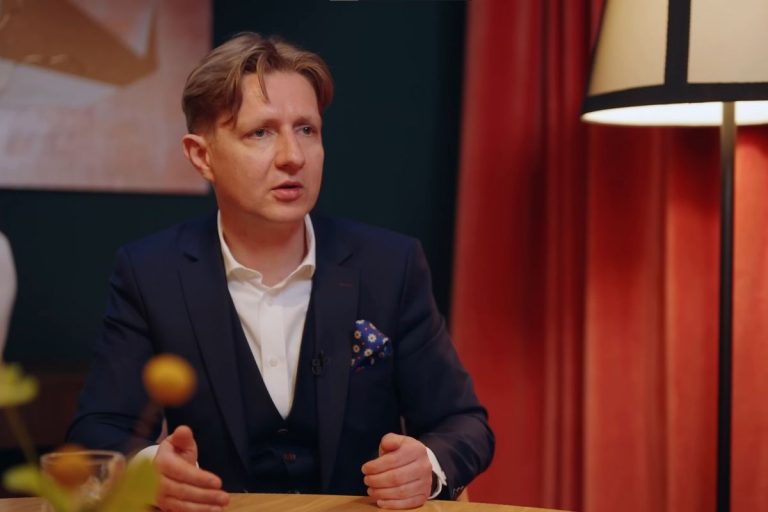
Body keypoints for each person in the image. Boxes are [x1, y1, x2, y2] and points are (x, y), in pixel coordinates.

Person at [67, 32, 493, 511]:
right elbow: (97, 432)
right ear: (201, 155)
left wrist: (427, 466)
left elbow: (463, 423)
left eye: (307, 129)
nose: (293, 156)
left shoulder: (390, 265)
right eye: (261, 132)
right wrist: (150, 471)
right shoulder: (151, 273)